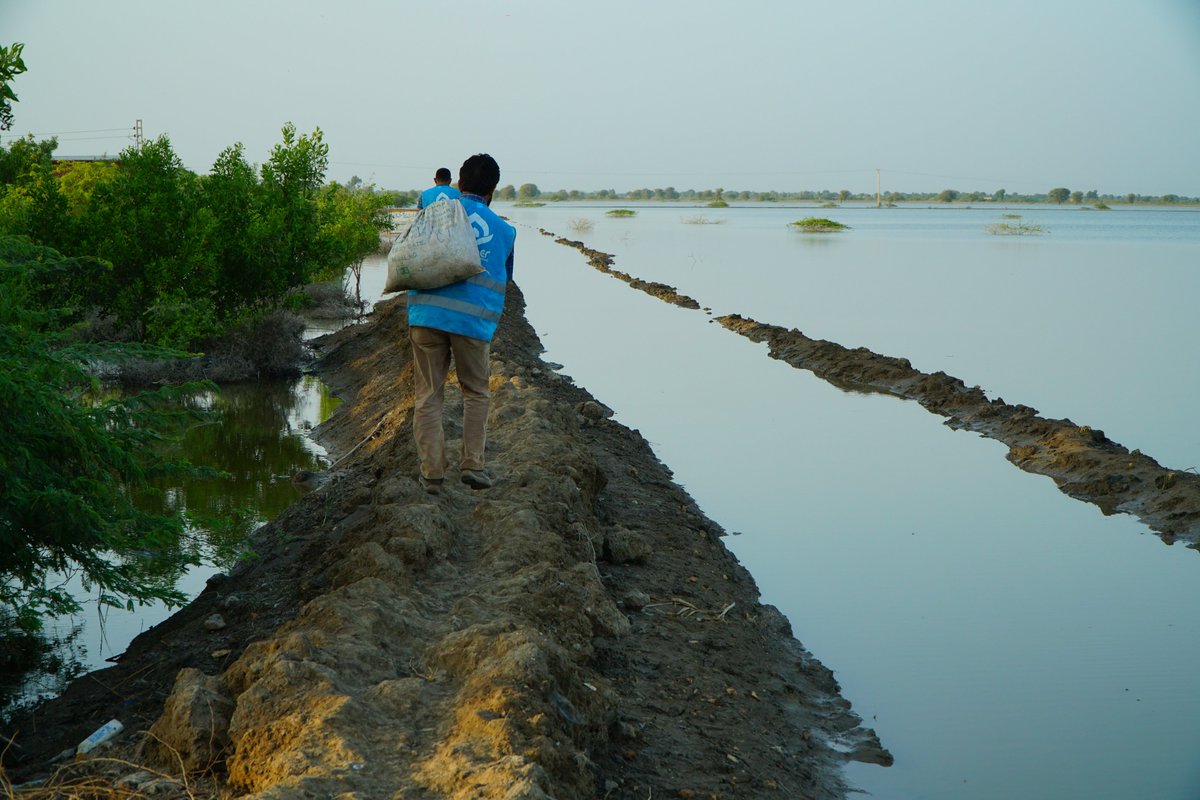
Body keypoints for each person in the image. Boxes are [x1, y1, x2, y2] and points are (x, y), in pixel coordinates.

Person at [407, 154, 516, 494]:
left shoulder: (434, 217)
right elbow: (506, 279)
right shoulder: (505, 231)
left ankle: (432, 474)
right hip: (473, 323)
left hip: (426, 316)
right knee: (476, 392)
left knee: (428, 396)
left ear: (459, 184)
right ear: (493, 190)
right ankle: (473, 465)